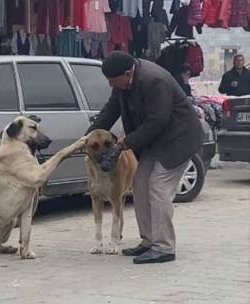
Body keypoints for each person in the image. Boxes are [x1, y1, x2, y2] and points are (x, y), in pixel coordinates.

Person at [86, 51, 203, 264]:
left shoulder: (154, 80)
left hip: (178, 140)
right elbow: (110, 111)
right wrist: (89, 135)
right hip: (154, 141)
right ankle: (149, 241)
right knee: (139, 182)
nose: (111, 85)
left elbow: (157, 121)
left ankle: (164, 247)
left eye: (113, 81)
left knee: (158, 186)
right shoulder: (123, 83)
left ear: (128, 73)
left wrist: (125, 142)